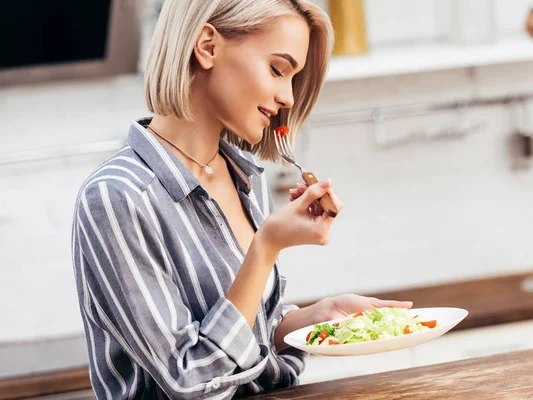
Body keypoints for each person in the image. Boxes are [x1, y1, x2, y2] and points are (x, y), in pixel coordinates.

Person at [71, 0, 412, 398]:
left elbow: (247, 333)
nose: (287, 96)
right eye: (277, 69)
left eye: (293, 78)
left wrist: (309, 321)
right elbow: (189, 379)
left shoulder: (243, 177)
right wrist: (265, 247)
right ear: (208, 46)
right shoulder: (117, 197)